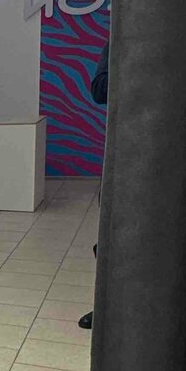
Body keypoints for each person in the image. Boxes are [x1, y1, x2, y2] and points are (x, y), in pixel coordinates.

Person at [79, 40, 109, 330]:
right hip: (133, 151)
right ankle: (109, 305)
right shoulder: (121, 41)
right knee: (112, 234)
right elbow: (99, 91)